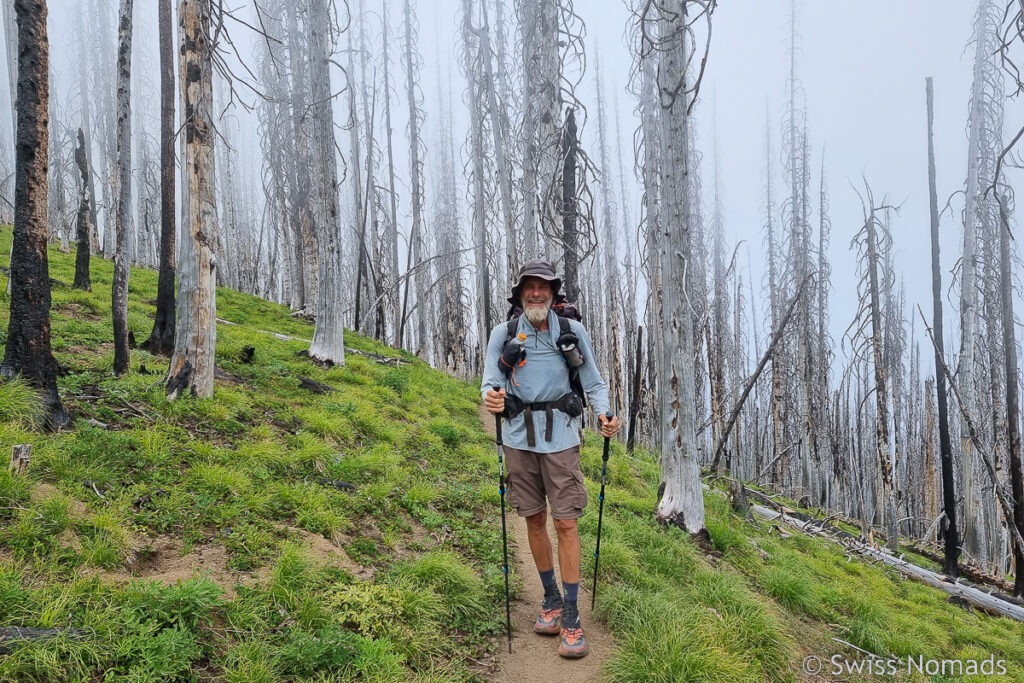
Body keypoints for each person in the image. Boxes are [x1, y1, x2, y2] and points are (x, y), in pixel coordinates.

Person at [482, 258, 620, 659]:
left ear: (554, 292)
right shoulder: (503, 333)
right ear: (520, 293)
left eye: (543, 287)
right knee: (533, 517)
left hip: (560, 437)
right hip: (517, 439)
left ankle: (572, 616)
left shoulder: (572, 332)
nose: (536, 293)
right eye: (530, 287)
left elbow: (593, 380)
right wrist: (490, 396)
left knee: (566, 522)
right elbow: (490, 381)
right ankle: (551, 598)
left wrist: (604, 414)